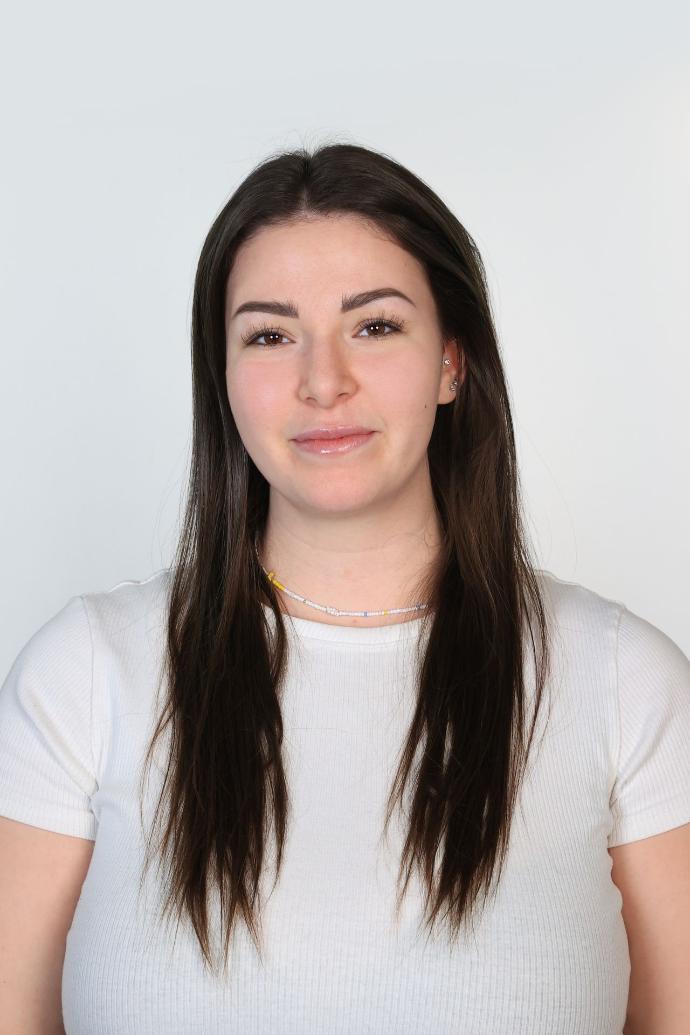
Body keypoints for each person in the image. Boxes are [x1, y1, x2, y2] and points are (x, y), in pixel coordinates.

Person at [1, 142, 688, 1035]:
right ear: (223, 377)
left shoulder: (622, 679)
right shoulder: (86, 674)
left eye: (375, 325)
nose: (323, 381)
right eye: (269, 335)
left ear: (453, 361)